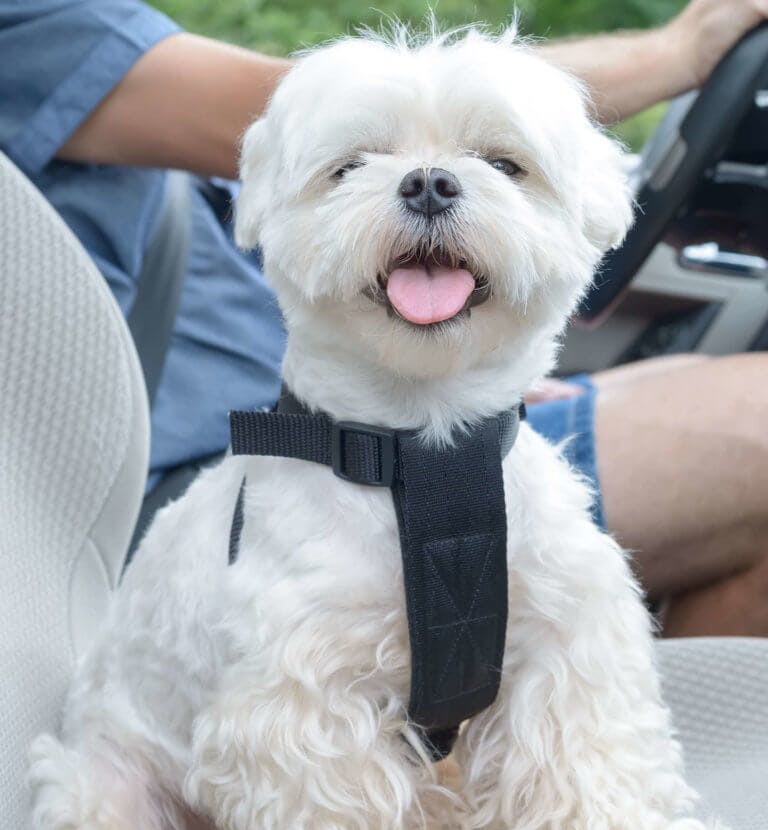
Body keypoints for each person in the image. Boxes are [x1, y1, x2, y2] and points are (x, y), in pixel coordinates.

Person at [1, 0, 767, 637]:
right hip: (250, 485)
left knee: (701, 390)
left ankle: (570, 772)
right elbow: (301, 111)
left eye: (501, 167)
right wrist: (678, 49)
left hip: (357, 407)